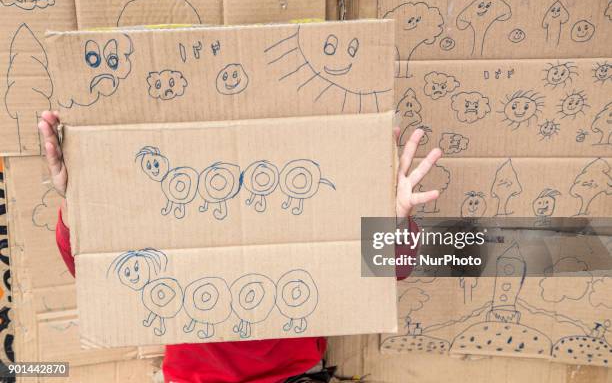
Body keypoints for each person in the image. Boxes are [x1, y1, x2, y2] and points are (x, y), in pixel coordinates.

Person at [39, 110, 442, 383]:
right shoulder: (174, 205)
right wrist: (78, 204)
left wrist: (392, 221)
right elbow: (103, 276)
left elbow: (393, 270)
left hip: (294, 374)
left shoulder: (299, 203)